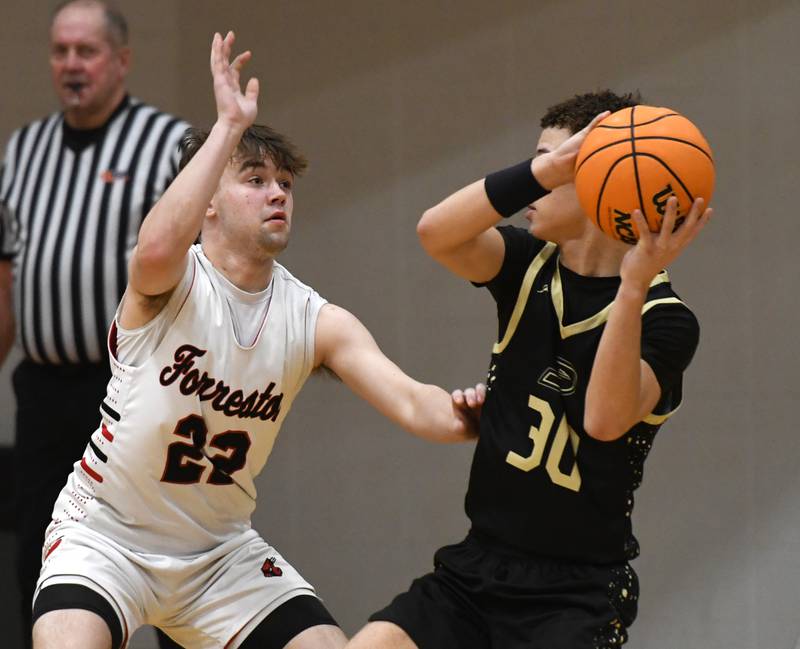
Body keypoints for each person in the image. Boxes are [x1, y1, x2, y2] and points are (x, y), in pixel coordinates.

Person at [30, 31, 480, 649]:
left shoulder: (315, 318)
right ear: (208, 202)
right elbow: (156, 245)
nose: (277, 194)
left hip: (219, 555)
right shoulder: (172, 278)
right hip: (105, 535)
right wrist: (227, 126)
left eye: (286, 186)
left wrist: (471, 414)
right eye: (256, 179)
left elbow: (413, 404)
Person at [347, 91, 712, 649]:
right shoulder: (525, 266)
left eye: (552, 164)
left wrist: (634, 281)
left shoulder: (665, 318)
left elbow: (605, 421)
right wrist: (545, 169)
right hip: (477, 567)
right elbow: (434, 232)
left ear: (596, 181)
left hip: (574, 593)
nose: (533, 184)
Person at [0, 1, 189, 646]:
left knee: (164, 549)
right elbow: (8, 278)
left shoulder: (167, 144)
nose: (71, 65)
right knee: (41, 552)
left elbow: (202, 274)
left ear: (122, 60)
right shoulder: (23, 150)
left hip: (134, 390)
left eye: (87, 51)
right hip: (46, 391)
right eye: (60, 52)